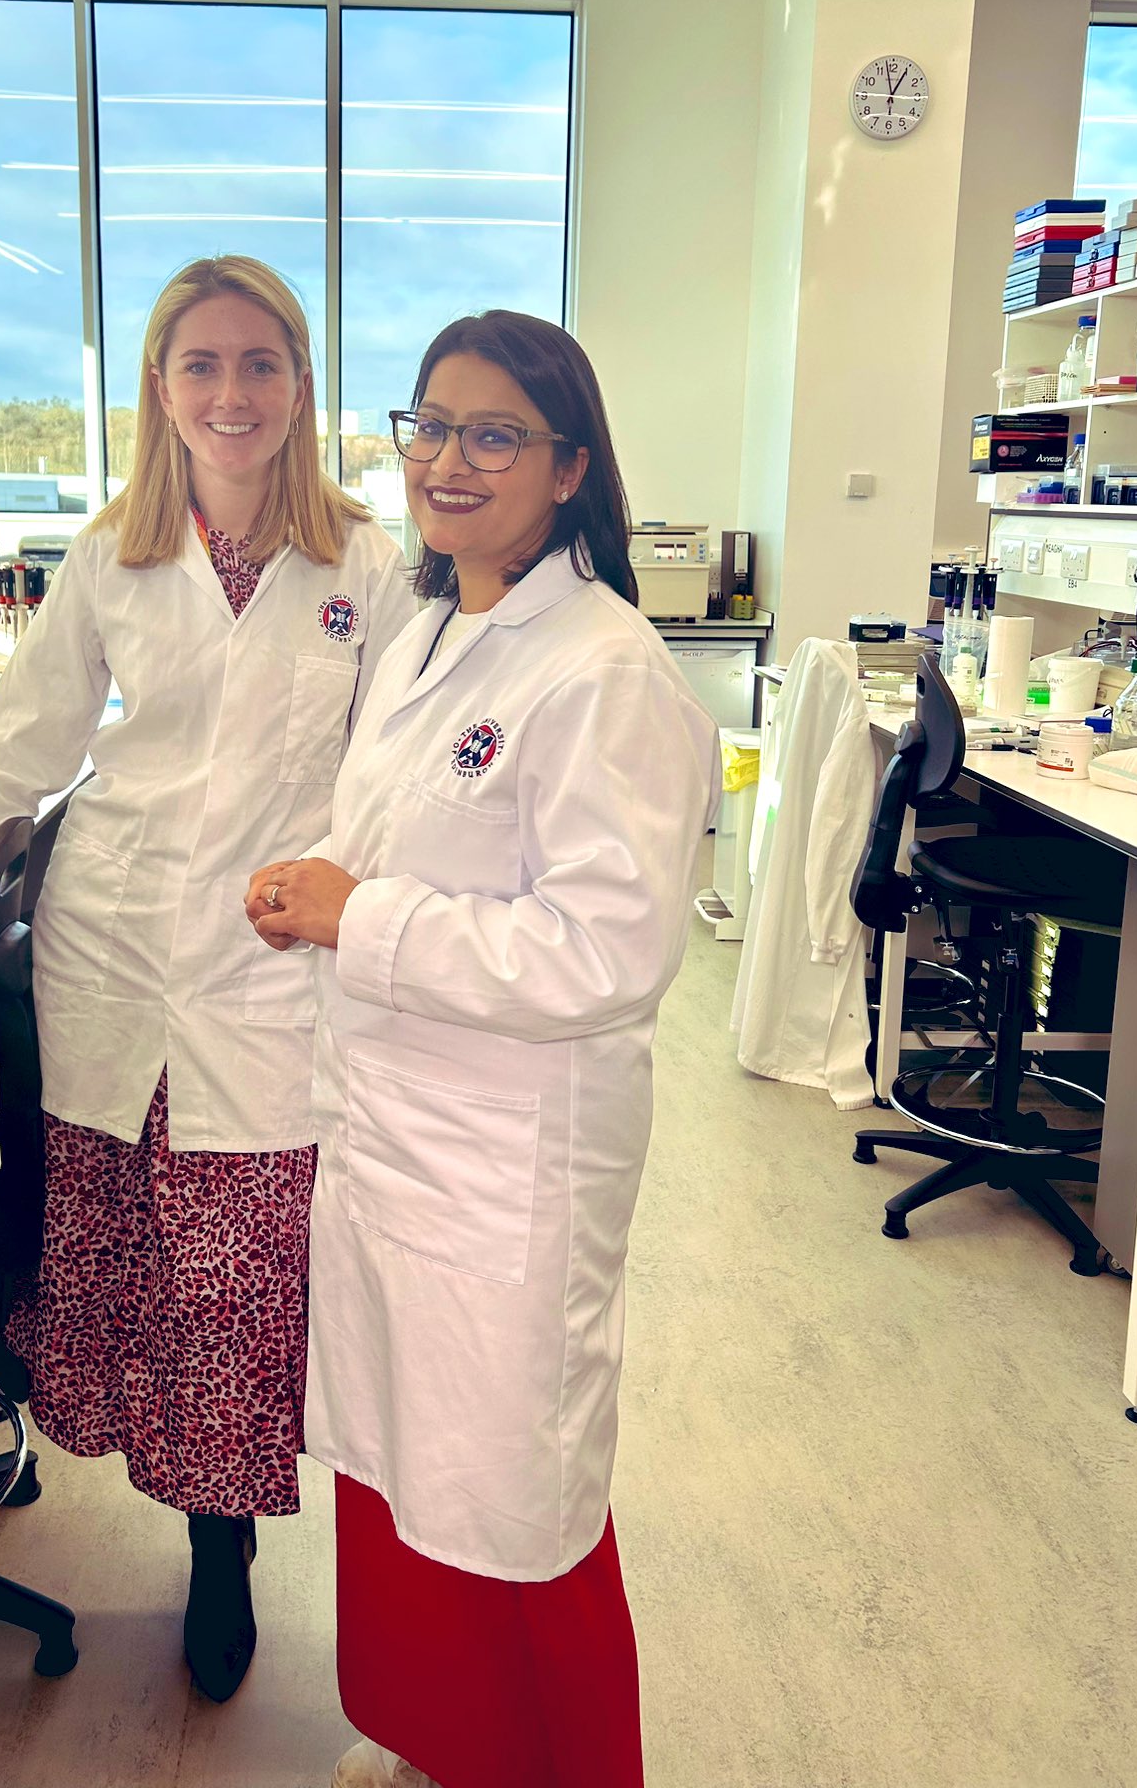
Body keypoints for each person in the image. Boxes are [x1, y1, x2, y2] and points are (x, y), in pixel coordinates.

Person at [0, 255, 414, 1703]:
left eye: (261, 363)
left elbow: (391, 771)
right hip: (115, 949)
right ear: (160, 386)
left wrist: (369, 905)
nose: (233, 392)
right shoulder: (110, 551)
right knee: (138, 1263)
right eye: (202, 364)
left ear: (300, 385)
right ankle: (174, 1503)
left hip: (271, 967)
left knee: (238, 1271)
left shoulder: (364, 562)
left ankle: (223, 1547)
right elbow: (19, 747)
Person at [246, 311, 720, 1788]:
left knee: (512, 1494)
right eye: (430, 426)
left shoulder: (605, 671)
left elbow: (605, 952)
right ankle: (427, 1733)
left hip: (508, 1163)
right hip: (393, 1135)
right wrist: (310, 881)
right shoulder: (431, 624)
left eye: (494, 433)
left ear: (569, 467)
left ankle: (547, 1762)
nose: (449, 461)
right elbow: (381, 830)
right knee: (398, 1466)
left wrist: (358, 918)